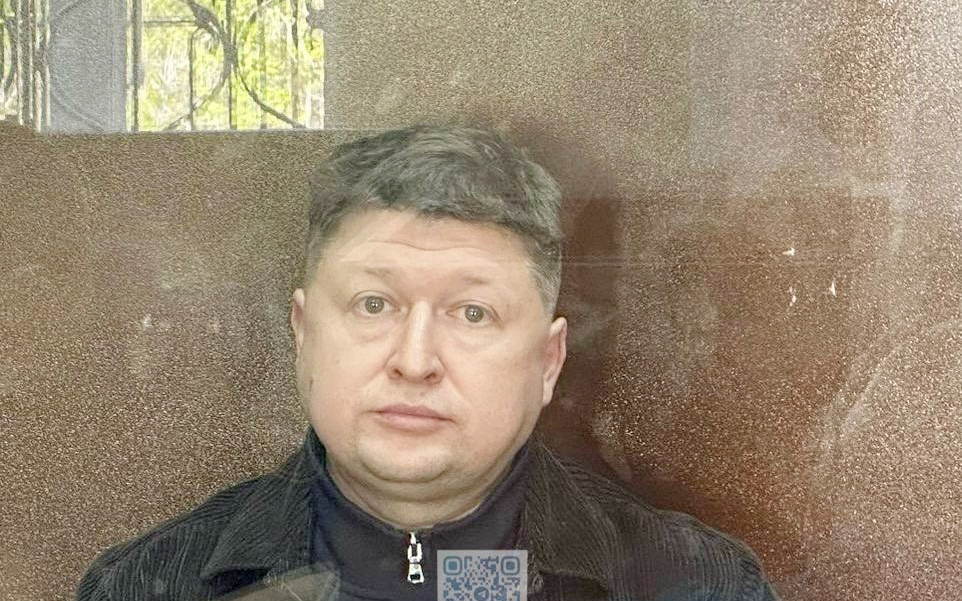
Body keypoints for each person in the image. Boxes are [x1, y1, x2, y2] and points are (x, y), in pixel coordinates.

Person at [76, 124, 779, 600]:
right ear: (303, 332)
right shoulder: (152, 585)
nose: (414, 361)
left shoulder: (696, 585)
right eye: (373, 304)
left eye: (472, 313)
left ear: (547, 361)